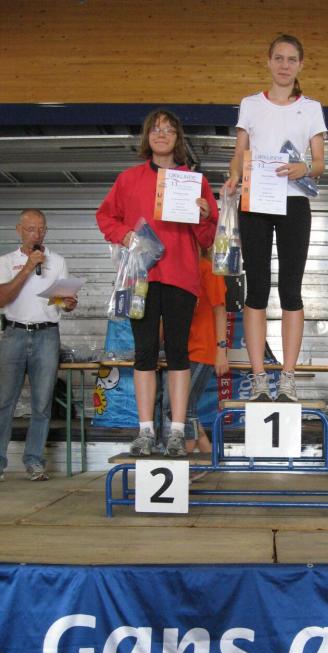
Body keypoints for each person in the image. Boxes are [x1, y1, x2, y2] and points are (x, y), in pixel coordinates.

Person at [97, 108, 218, 457]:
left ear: (178, 138)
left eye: (168, 129)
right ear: (147, 137)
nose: (161, 134)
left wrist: (205, 215)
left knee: (179, 352)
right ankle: (146, 431)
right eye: (155, 129)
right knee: (145, 352)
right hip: (141, 278)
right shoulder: (128, 179)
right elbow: (105, 216)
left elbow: (208, 238)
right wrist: (126, 235)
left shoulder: (194, 182)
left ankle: (177, 431)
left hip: (181, 277)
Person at [223, 34, 327, 402]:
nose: (284, 65)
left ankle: (287, 377)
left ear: (300, 65)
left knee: (291, 289)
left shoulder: (311, 108)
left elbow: (320, 163)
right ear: (268, 62)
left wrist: (304, 168)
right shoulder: (250, 104)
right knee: (256, 288)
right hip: (255, 202)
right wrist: (233, 176)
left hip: (294, 203)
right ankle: (258, 378)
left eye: (291, 59)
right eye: (279, 58)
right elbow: (239, 154)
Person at [0, 209, 78, 481]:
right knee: (4, 401)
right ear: (19, 230)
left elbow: (60, 301)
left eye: (42, 229)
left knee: (42, 403)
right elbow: (3, 298)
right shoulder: (6, 261)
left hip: (47, 335)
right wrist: (28, 267)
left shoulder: (57, 261)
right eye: (31, 229)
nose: (37, 234)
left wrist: (67, 303)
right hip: (14, 333)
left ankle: (34, 461)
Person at [163, 255, 229, 455]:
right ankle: (209, 458)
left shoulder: (208, 269)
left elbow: (220, 310)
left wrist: (221, 350)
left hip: (202, 349)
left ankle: (189, 455)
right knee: (180, 408)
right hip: (181, 350)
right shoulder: (175, 268)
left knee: (181, 407)